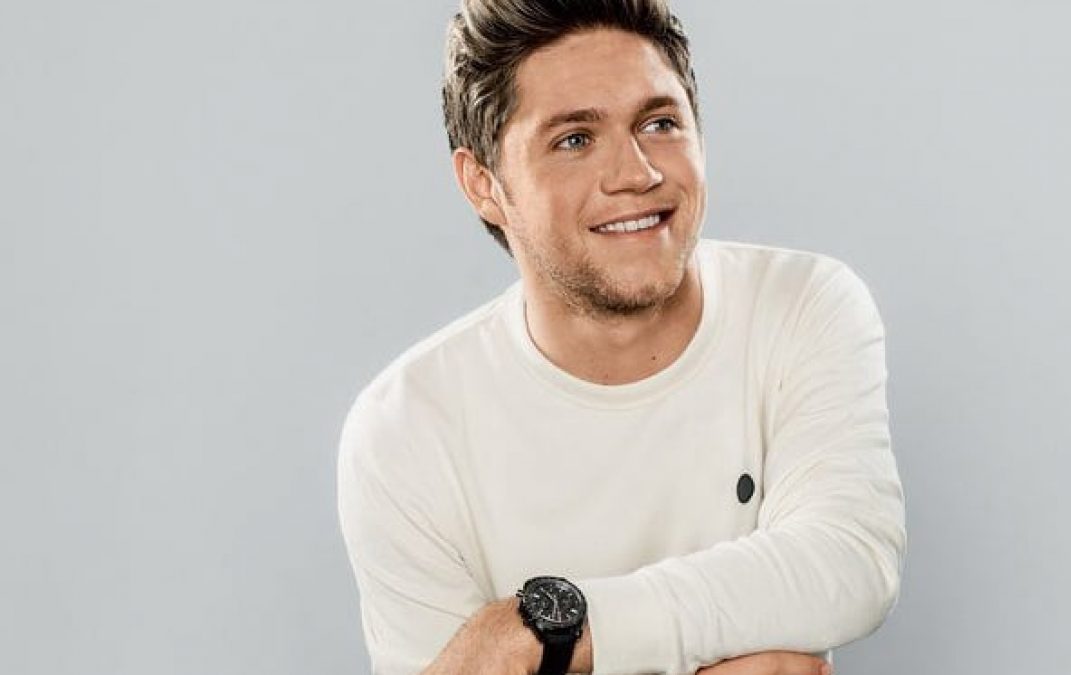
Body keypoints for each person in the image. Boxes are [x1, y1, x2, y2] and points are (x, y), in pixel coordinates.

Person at [335, 1, 907, 673]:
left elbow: (849, 561)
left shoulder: (801, 306)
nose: (637, 173)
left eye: (659, 123)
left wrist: (543, 629)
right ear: (484, 184)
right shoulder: (405, 428)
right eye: (574, 140)